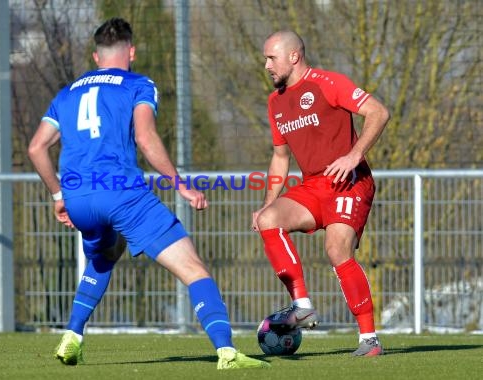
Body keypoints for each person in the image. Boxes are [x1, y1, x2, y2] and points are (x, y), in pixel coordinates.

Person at [28, 17, 269, 370]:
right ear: (132, 52)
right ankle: (227, 352)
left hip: (80, 198)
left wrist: (57, 195)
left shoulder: (66, 94)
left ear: (96, 57)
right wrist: (181, 185)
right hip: (122, 194)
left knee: (105, 255)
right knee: (194, 269)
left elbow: (37, 148)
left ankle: (73, 335)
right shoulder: (138, 84)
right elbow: (145, 137)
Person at [252, 30, 390, 357]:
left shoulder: (328, 82)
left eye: (272, 58)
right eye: (265, 59)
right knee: (269, 220)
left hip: (350, 180)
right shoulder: (275, 102)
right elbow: (280, 157)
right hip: (314, 184)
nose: (267, 65)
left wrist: (354, 155)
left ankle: (369, 340)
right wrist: (267, 204)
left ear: (294, 56)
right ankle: (302, 306)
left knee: (336, 250)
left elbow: (378, 112)